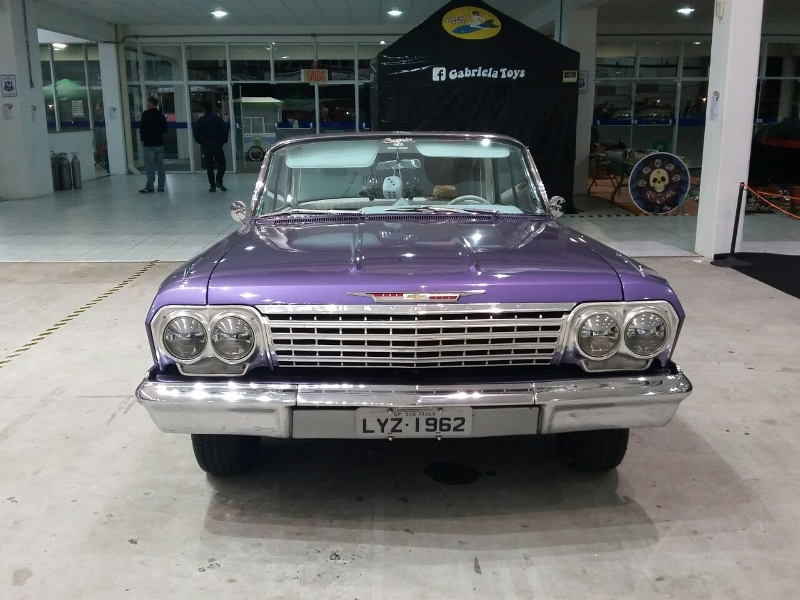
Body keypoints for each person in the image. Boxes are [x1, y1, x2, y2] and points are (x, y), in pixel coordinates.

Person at [193, 100, 229, 192]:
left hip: (206, 145)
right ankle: (219, 181)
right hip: (217, 144)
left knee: (209, 166)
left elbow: (196, 133)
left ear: (204, 109)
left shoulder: (200, 121)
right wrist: (223, 140)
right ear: (212, 108)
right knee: (222, 163)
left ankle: (212, 186)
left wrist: (201, 141)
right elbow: (225, 130)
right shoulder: (217, 119)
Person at [139, 96, 167, 193]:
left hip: (149, 144)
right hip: (159, 143)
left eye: (147, 102)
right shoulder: (161, 115)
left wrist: (142, 139)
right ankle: (161, 186)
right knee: (160, 166)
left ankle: (150, 186)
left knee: (150, 167)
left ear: (150, 103)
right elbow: (165, 129)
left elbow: (142, 128)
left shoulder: (146, 114)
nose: (147, 103)